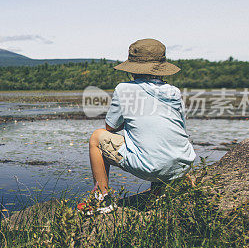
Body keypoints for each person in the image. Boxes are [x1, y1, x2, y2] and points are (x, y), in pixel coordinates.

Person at [78, 38, 196, 215]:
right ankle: (159, 191)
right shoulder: (174, 91)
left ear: (133, 69)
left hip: (151, 167)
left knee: (96, 137)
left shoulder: (124, 89)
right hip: (181, 164)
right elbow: (181, 128)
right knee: (157, 138)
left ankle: (102, 198)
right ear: (161, 68)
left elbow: (110, 127)